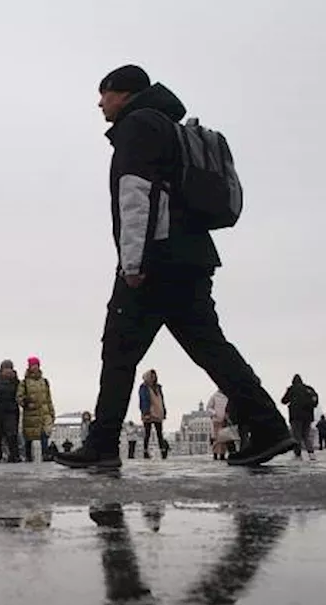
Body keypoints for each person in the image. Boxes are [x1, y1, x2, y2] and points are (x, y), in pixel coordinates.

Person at [56, 65, 294, 470]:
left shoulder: (137, 127)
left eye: (105, 93)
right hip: (191, 256)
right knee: (211, 348)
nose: (100, 103)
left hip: (154, 261)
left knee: (118, 350)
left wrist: (132, 262)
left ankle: (103, 444)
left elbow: (136, 197)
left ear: (125, 93)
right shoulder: (170, 127)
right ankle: (269, 426)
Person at [17, 356, 55, 462]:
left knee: (44, 434)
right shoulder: (24, 383)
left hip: (44, 413)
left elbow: (49, 398)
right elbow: (19, 397)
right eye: (33, 365)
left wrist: (52, 412)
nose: (35, 367)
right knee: (29, 437)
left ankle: (45, 455)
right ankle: (28, 456)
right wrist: (25, 402)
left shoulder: (45, 382)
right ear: (29, 367)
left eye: (36, 365)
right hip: (31, 414)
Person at [281, 374, 319, 459]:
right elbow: (315, 401)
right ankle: (311, 453)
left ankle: (298, 454)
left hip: (296, 416)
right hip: (308, 416)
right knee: (306, 435)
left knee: (297, 436)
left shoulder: (292, 389)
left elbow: (284, 401)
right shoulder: (309, 389)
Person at [138, 370, 169, 459]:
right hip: (148, 412)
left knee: (159, 433)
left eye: (154, 376)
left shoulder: (158, 387)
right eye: (151, 376)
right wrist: (145, 412)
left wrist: (164, 411)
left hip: (158, 411)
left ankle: (162, 451)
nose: (153, 378)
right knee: (147, 433)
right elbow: (143, 400)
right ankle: (145, 452)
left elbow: (161, 400)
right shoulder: (144, 387)